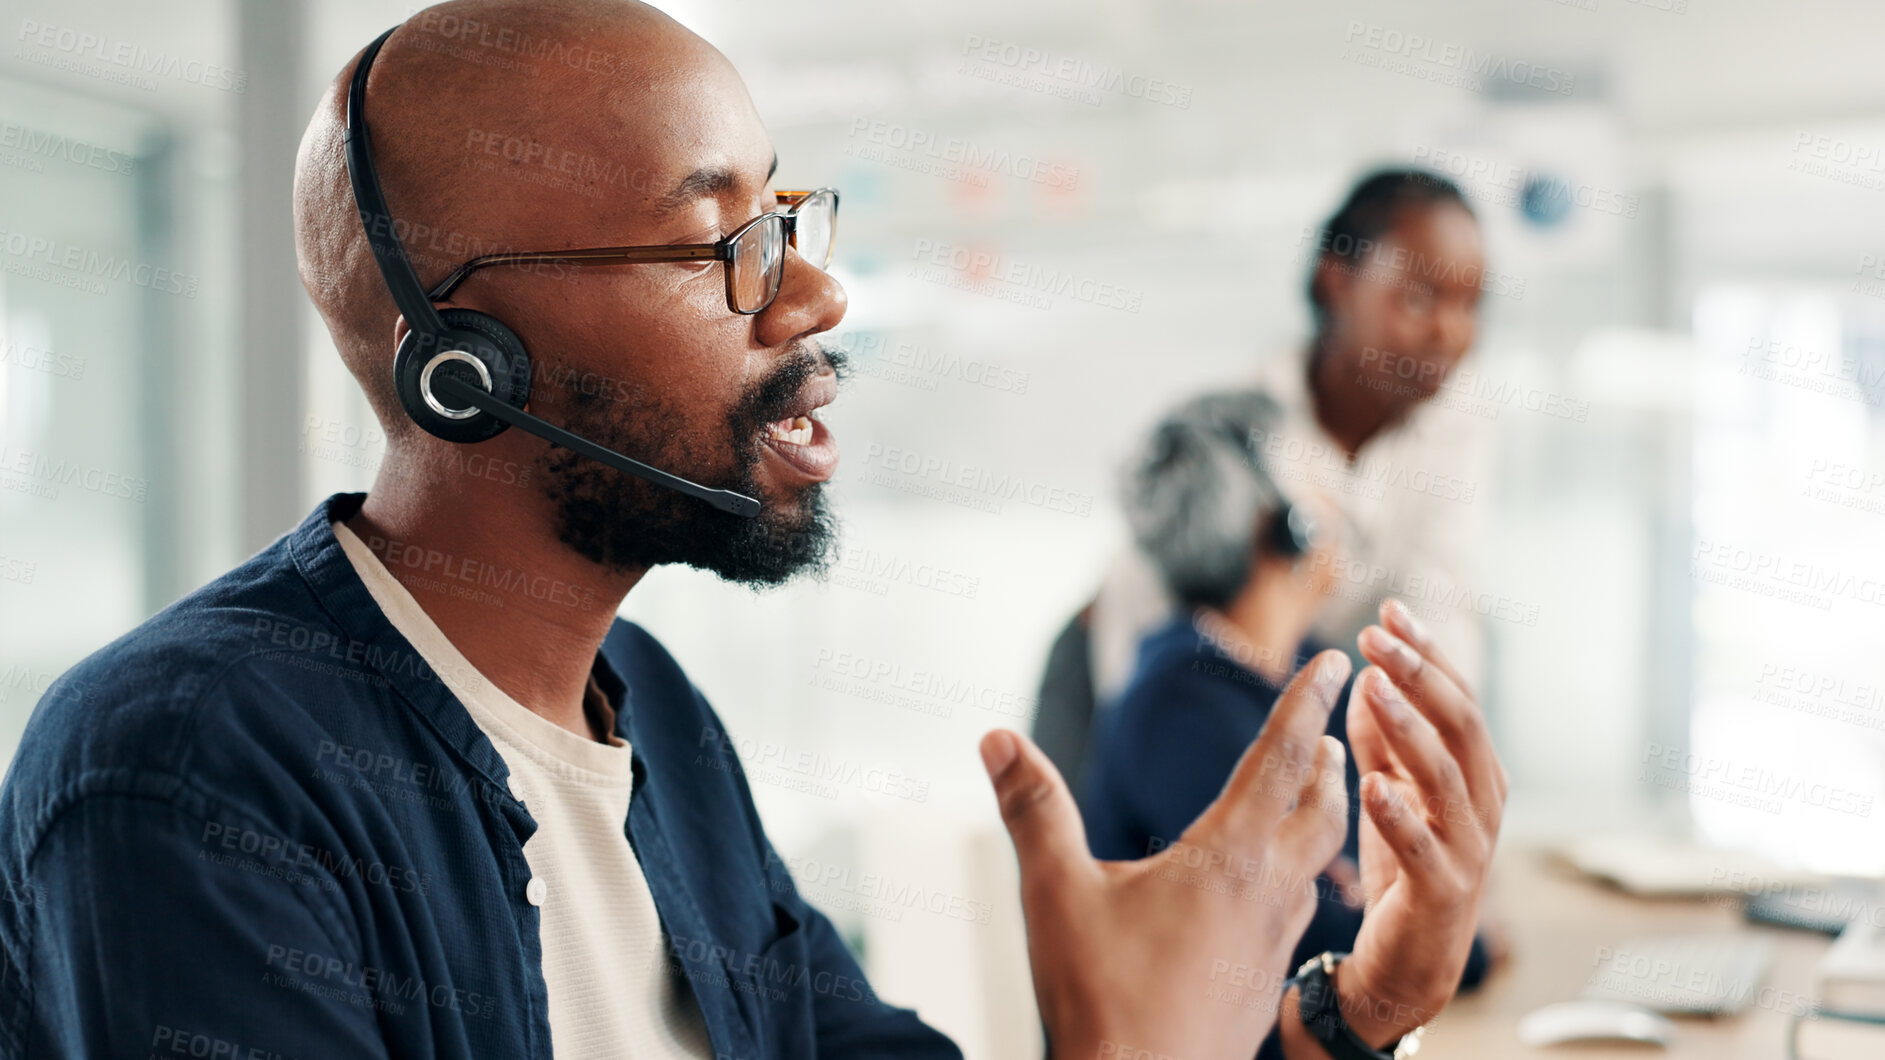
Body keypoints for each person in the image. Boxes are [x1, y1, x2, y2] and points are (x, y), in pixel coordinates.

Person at [0, 3, 1506, 1058]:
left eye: (790, 221)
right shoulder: (187, 766)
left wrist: (1336, 1017)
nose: (813, 297)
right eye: (725, 239)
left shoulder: (654, 712)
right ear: (473, 360)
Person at [1079, 392, 1493, 1054]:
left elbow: (1389, 872)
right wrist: (1452, 937)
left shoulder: (1303, 672)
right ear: (1285, 526)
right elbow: (1323, 933)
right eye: (1316, 486)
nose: (1336, 507)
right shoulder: (1175, 707)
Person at [1089, 169, 1496, 712]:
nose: (1450, 333)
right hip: (1211, 708)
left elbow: (1439, 601)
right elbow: (1144, 602)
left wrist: (1432, 744)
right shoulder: (1238, 427)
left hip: (1335, 714)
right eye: (1420, 300)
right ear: (1336, 281)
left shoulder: (1458, 426)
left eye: (1470, 306)